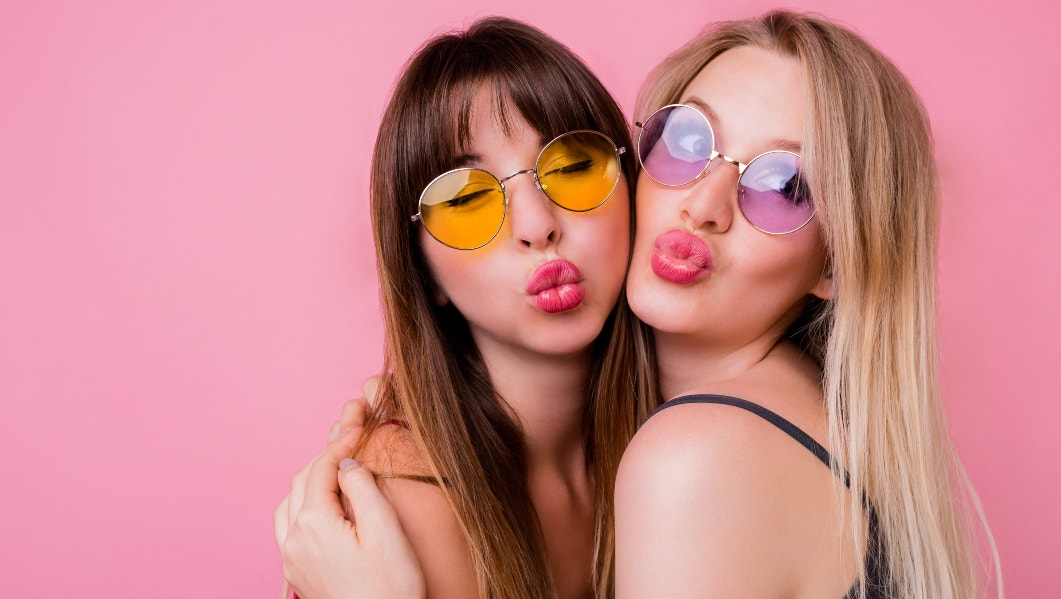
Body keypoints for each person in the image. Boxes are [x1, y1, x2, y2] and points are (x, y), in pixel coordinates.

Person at [278, 10, 1001, 599]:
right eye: (689, 141)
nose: (705, 205)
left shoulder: (692, 459)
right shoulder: (403, 500)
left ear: (840, 261)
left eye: (786, 186)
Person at [274, 16, 655, 599]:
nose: (537, 226)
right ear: (424, 273)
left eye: (574, 167)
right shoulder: (404, 503)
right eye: (469, 198)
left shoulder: (670, 441)